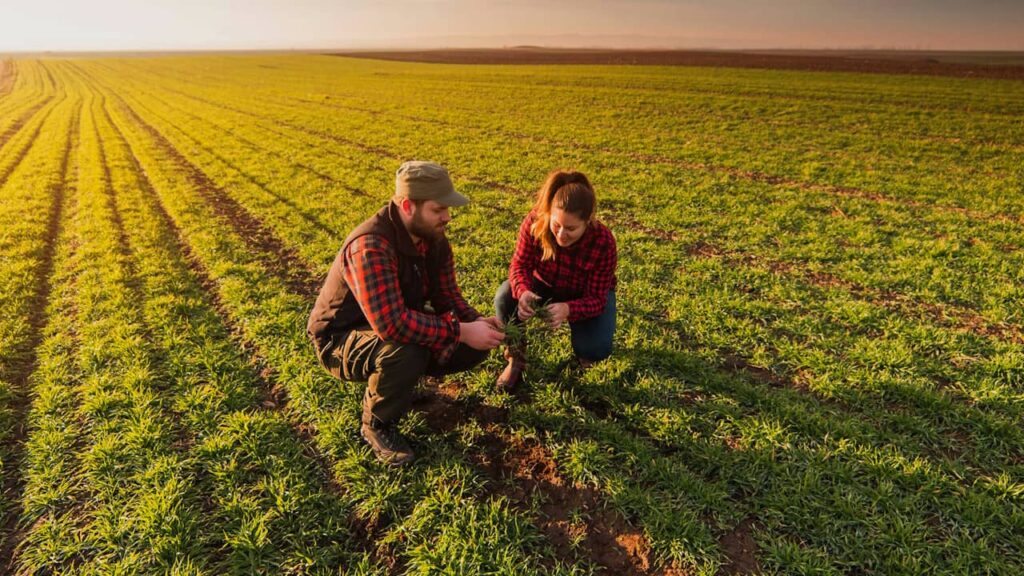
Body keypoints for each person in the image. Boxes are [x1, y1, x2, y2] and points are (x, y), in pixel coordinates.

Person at [308, 161, 505, 466]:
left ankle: (401, 385)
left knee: (469, 347)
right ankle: (377, 425)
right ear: (406, 206)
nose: (447, 217)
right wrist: (461, 331)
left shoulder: (434, 240)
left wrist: (476, 322)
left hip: (390, 325)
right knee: (406, 349)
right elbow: (392, 324)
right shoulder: (370, 246)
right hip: (340, 339)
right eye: (438, 209)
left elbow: (447, 297)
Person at [494, 169, 617, 392]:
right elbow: (519, 265)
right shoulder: (534, 222)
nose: (561, 235)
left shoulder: (603, 241)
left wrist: (569, 309)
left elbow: (598, 299)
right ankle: (516, 357)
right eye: (556, 225)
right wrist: (523, 291)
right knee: (505, 296)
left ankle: (584, 356)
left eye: (570, 228)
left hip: (582, 294)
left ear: (588, 221)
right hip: (544, 284)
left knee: (596, 348)